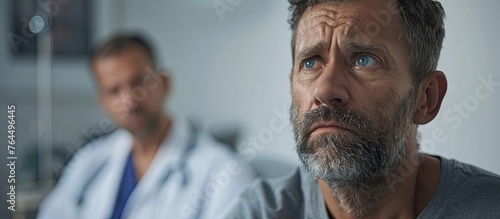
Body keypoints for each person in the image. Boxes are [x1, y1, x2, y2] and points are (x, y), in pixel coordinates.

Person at [224, 0, 500, 218]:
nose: (325, 90)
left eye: (364, 60)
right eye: (310, 63)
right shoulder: (258, 211)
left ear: (426, 98)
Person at [37, 34, 256, 219]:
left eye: (138, 82)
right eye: (114, 91)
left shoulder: (224, 173)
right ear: (103, 101)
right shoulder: (89, 160)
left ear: (165, 83)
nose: (129, 100)